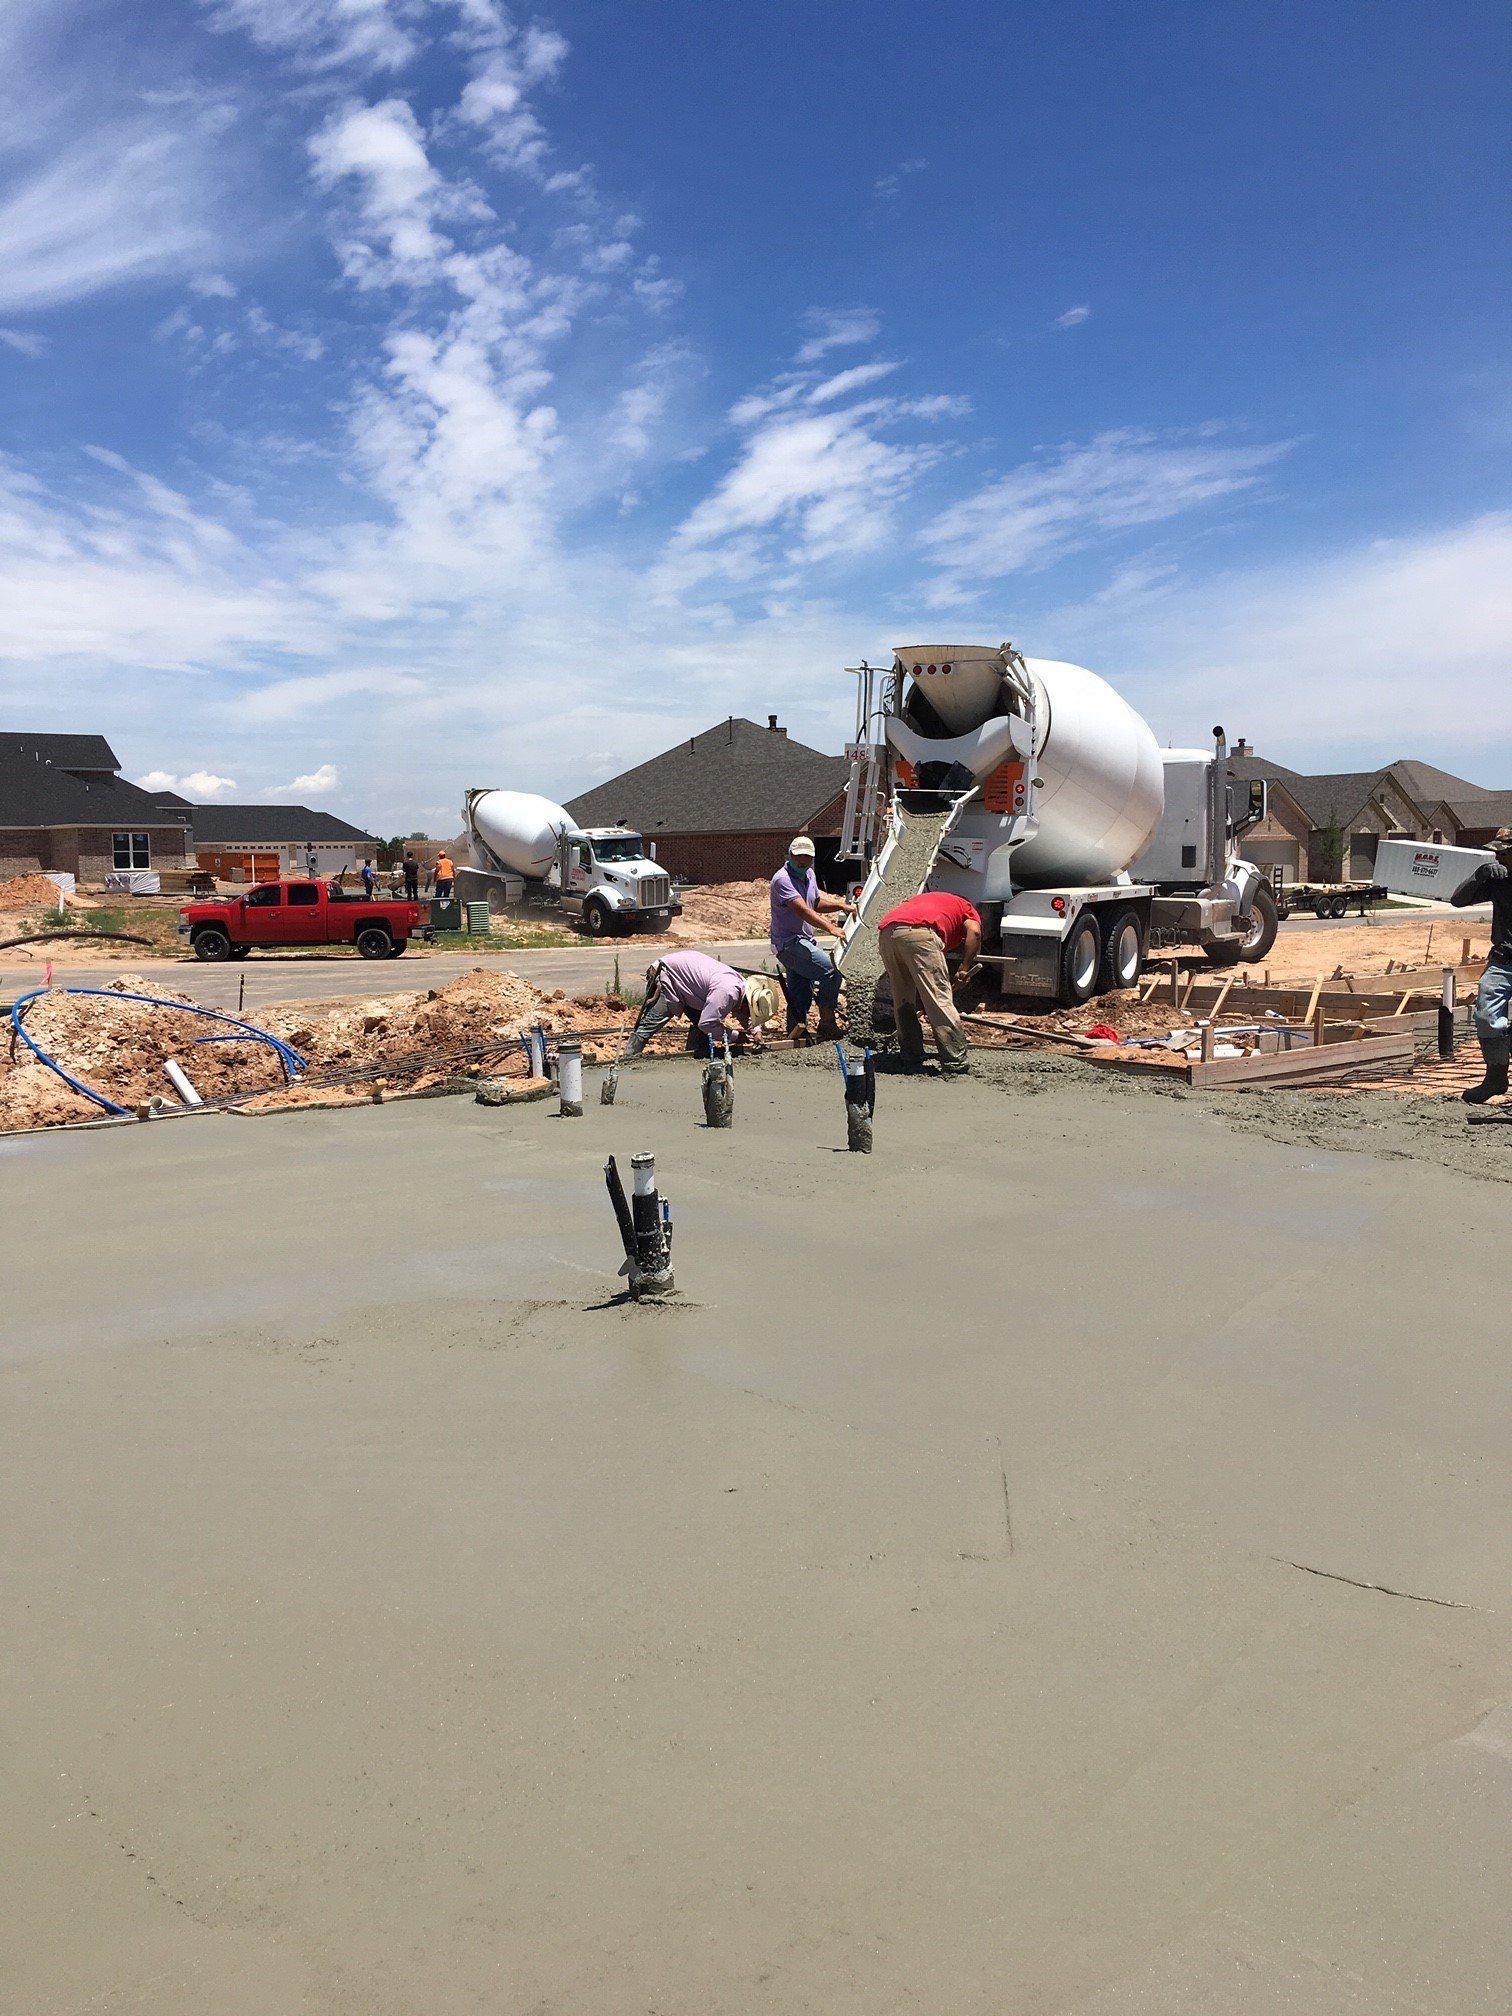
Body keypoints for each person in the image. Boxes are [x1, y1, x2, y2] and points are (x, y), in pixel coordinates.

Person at [877, 889, 982, 1076]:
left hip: (887, 935)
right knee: (939, 998)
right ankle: (954, 1061)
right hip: (920, 932)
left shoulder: (925, 901)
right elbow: (975, 932)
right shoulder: (966, 907)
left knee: (903, 999)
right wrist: (964, 968)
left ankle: (911, 1055)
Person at [769, 835, 854, 1040]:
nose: (802, 861)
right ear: (790, 855)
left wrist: (840, 905)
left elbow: (814, 903)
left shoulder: (809, 874)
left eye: (807, 857)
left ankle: (795, 1036)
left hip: (803, 941)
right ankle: (827, 1023)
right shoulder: (782, 879)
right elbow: (802, 910)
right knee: (832, 971)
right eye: (798, 856)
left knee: (800, 994)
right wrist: (830, 928)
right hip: (789, 943)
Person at [1451, 825, 1512, 1104]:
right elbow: (1458, 900)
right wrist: (1479, 877)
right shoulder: (1498, 880)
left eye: (1503, 854)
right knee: (1487, 1016)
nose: (1498, 859)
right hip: (1503, 960)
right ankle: (1495, 1078)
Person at [623, 954, 774, 1059]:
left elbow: (744, 1013)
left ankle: (692, 1056)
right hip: (667, 976)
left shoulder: (741, 988)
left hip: (689, 985)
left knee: (703, 1024)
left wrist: (756, 1032)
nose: (749, 1016)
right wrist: (735, 1036)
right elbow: (707, 1023)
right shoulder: (727, 991)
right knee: (651, 1023)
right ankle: (628, 1059)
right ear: (748, 1001)